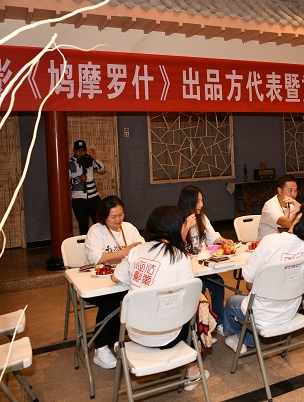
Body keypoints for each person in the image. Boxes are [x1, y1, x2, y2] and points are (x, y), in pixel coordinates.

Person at [112, 205, 209, 391]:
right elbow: (189, 298)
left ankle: (191, 370)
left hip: (135, 333)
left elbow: (116, 278)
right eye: (183, 225)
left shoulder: (136, 251)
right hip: (168, 336)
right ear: (175, 227)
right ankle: (192, 371)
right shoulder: (179, 257)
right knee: (197, 302)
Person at [223, 202, 304, 353]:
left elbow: (248, 277)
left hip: (262, 311)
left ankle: (240, 337)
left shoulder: (272, 240)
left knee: (231, 301)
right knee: (253, 299)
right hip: (291, 309)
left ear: (298, 217)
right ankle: (247, 337)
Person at [84, 196, 144, 369]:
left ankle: (129, 340)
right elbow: (96, 258)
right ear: (103, 216)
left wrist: (122, 255)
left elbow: (142, 247)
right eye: (113, 217)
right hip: (98, 282)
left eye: (121, 215)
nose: (118, 220)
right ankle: (101, 348)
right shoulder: (96, 230)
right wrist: (125, 252)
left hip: (124, 280)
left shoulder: (129, 228)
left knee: (143, 295)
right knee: (110, 300)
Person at [178, 186, 234, 332]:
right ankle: (200, 328)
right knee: (200, 287)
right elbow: (175, 247)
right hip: (187, 272)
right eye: (197, 201)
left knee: (218, 283)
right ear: (188, 202)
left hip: (201, 266)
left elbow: (211, 235)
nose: (201, 205)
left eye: (202, 201)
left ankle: (219, 322)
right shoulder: (177, 219)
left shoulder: (201, 217)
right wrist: (186, 227)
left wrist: (223, 240)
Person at [70, 140, 106, 235]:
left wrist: (95, 158)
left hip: (94, 197)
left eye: (83, 150)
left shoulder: (89, 160)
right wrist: (78, 179)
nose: (80, 153)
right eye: (78, 150)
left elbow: (102, 169)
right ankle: (85, 244)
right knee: (83, 225)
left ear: (85, 150)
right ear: (74, 150)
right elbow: (67, 182)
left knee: (100, 223)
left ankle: (102, 242)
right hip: (78, 199)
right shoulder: (70, 163)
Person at [257, 175, 300, 239]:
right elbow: (285, 223)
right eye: (290, 190)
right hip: (267, 243)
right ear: (280, 191)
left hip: (284, 242)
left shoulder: (292, 204)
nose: (293, 194)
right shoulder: (270, 205)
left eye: (295, 190)